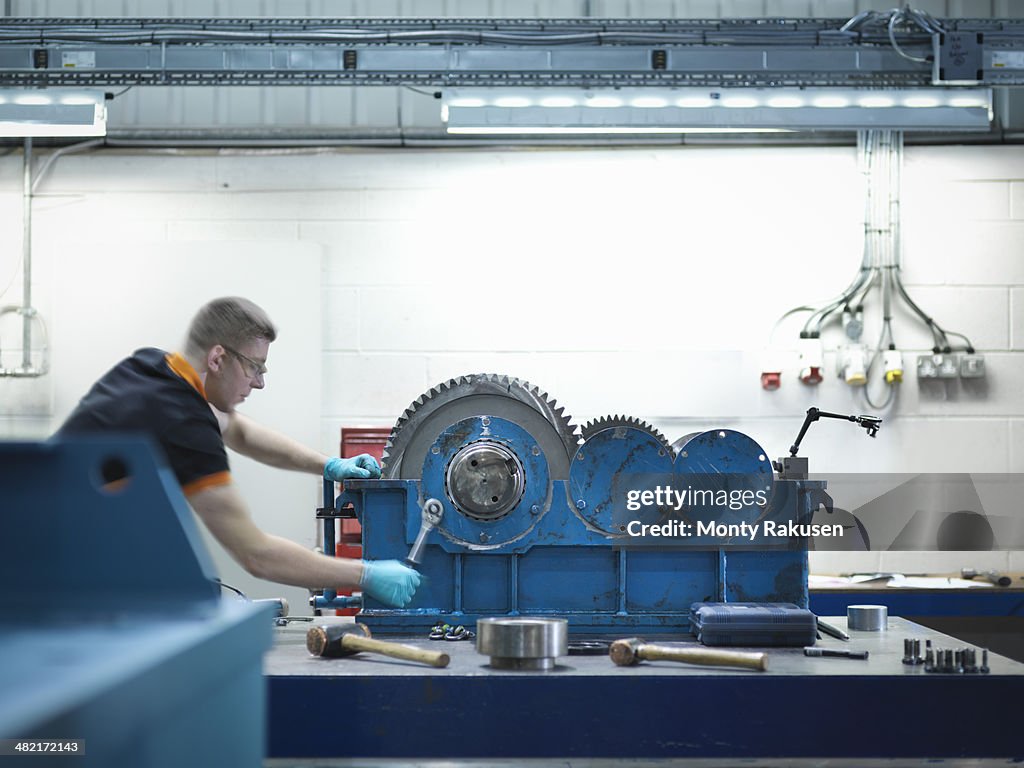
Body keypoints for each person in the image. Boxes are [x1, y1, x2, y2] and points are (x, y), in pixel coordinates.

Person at [56, 296, 420, 608]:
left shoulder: (153, 368)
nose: (259, 382)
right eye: (255, 366)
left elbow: (238, 430)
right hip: (58, 573)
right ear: (218, 359)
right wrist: (365, 574)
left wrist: (328, 465)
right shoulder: (183, 421)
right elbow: (255, 554)